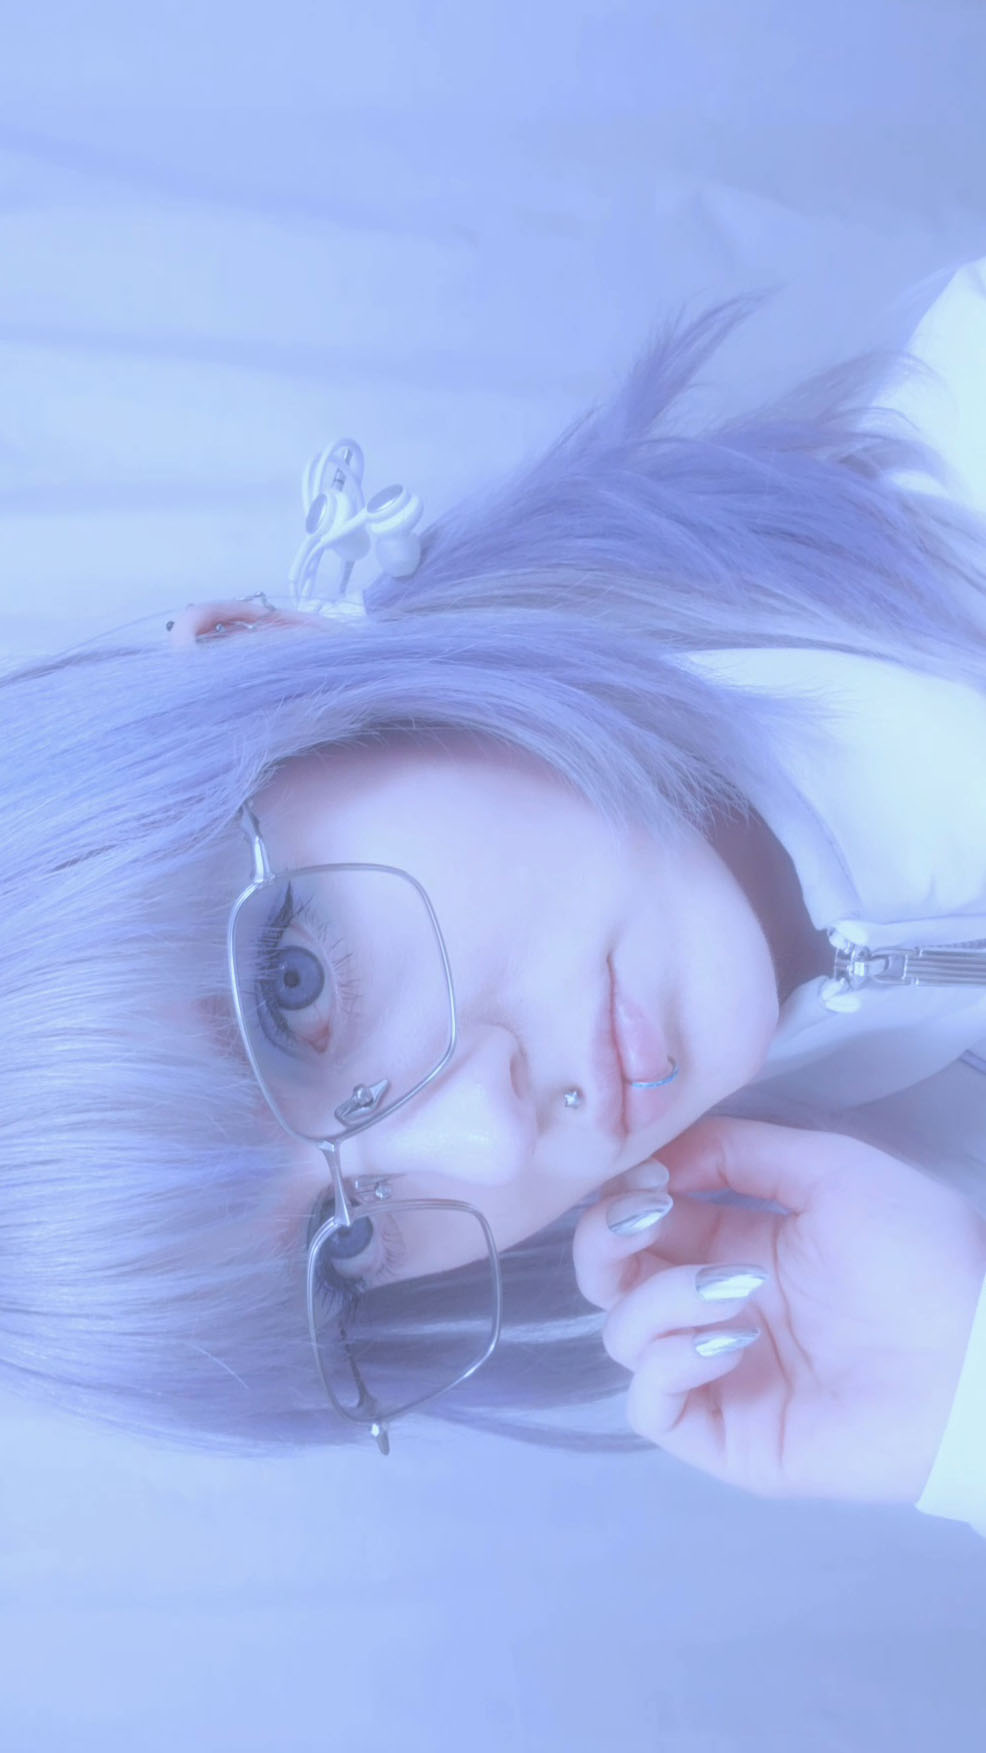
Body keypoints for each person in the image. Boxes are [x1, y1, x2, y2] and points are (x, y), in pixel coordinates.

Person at [4, 265, 986, 1536]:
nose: (486, 1144)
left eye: (295, 989)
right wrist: (960, 1401)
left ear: (273, 646)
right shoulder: (912, 1272)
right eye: (346, 1245)